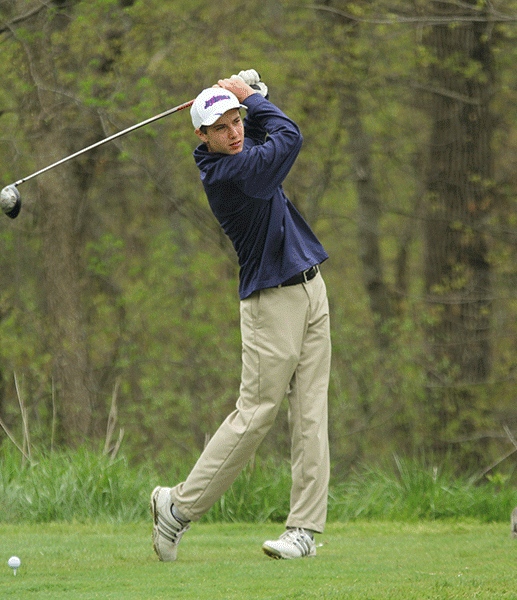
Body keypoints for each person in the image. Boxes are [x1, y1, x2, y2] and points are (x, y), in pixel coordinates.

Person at [150, 70, 331, 561]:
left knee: (312, 415)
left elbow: (261, 130)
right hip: (271, 303)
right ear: (201, 137)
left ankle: (304, 531)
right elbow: (288, 135)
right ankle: (178, 510)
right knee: (255, 415)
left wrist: (249, 97)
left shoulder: (238, 152)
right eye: (221, 126)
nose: (233, 132)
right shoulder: (234, 174)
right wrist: (250, 94)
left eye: (237, 121)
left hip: (311, 287)